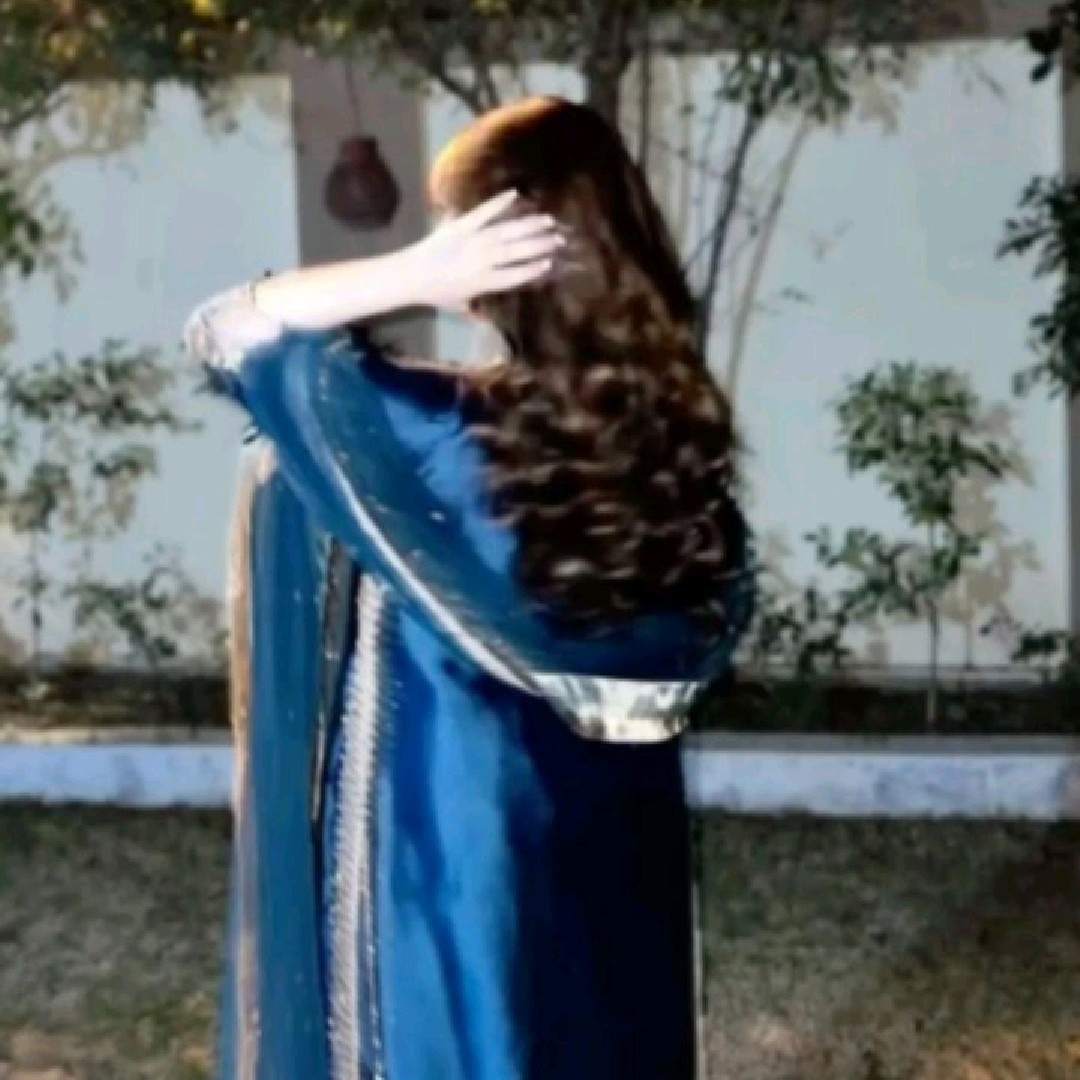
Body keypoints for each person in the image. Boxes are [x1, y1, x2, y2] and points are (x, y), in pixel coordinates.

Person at [185, 95, 755, 1080]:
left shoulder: (436, 438)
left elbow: (224, 332)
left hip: (458, 849)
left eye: (456, 223)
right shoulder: (668, 449)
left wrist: (409, 275)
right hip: (621, 851)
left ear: (500, 247)